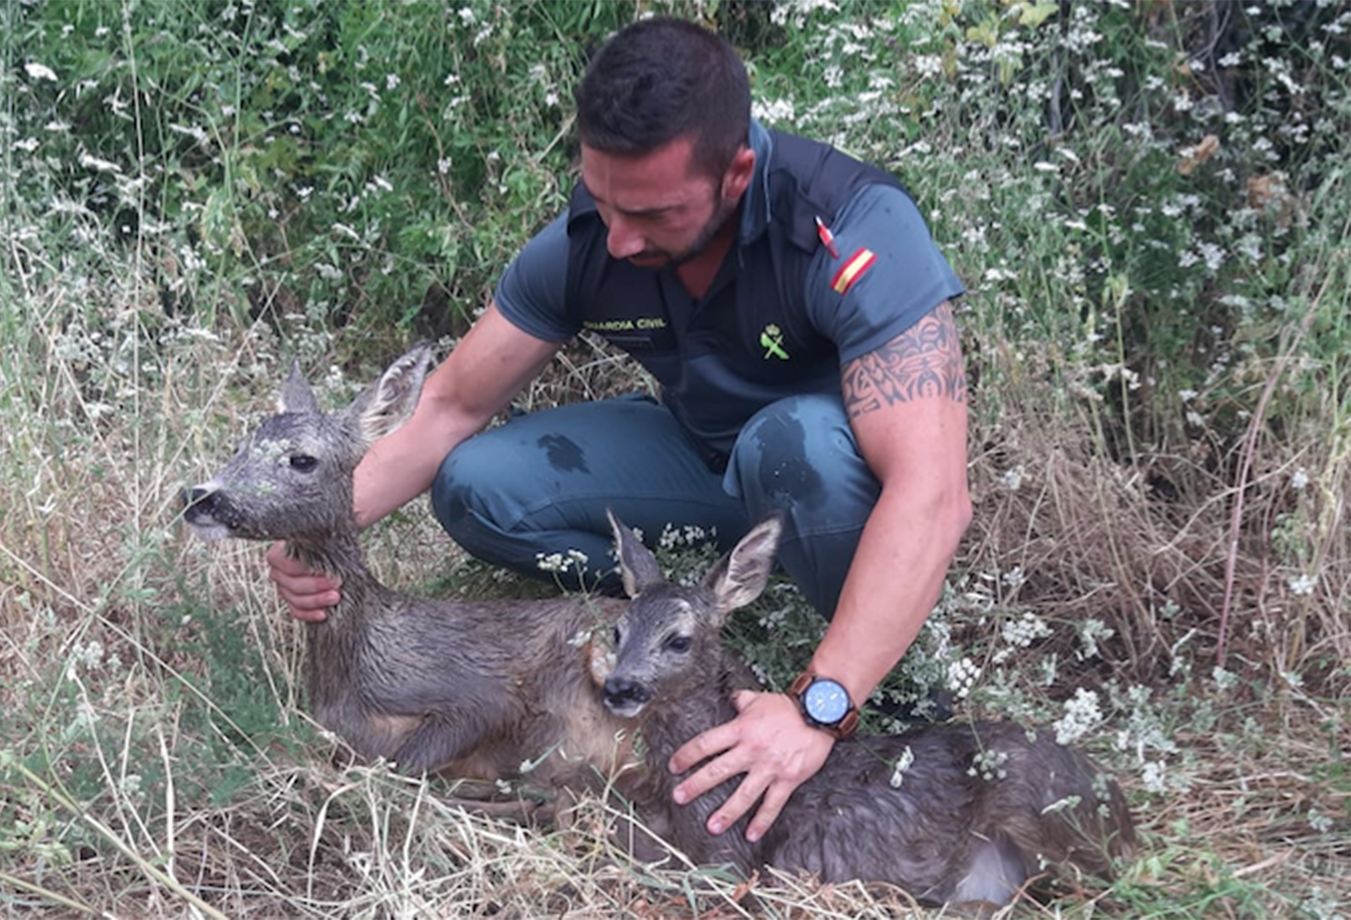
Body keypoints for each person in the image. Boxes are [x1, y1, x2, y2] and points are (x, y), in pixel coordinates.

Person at [269, 16, 971, 844]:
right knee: (480, 485)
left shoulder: (848, 228)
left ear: (736, 173)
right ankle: (674, 622)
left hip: (816, 480)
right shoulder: (595, 239)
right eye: (603, 202)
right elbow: (449, 406)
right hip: (698, 461)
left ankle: (870, 680)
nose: (620, 238)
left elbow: (931, 493)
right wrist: (317, 527)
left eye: (652, 214)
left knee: (794, 445)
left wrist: (820, 709)